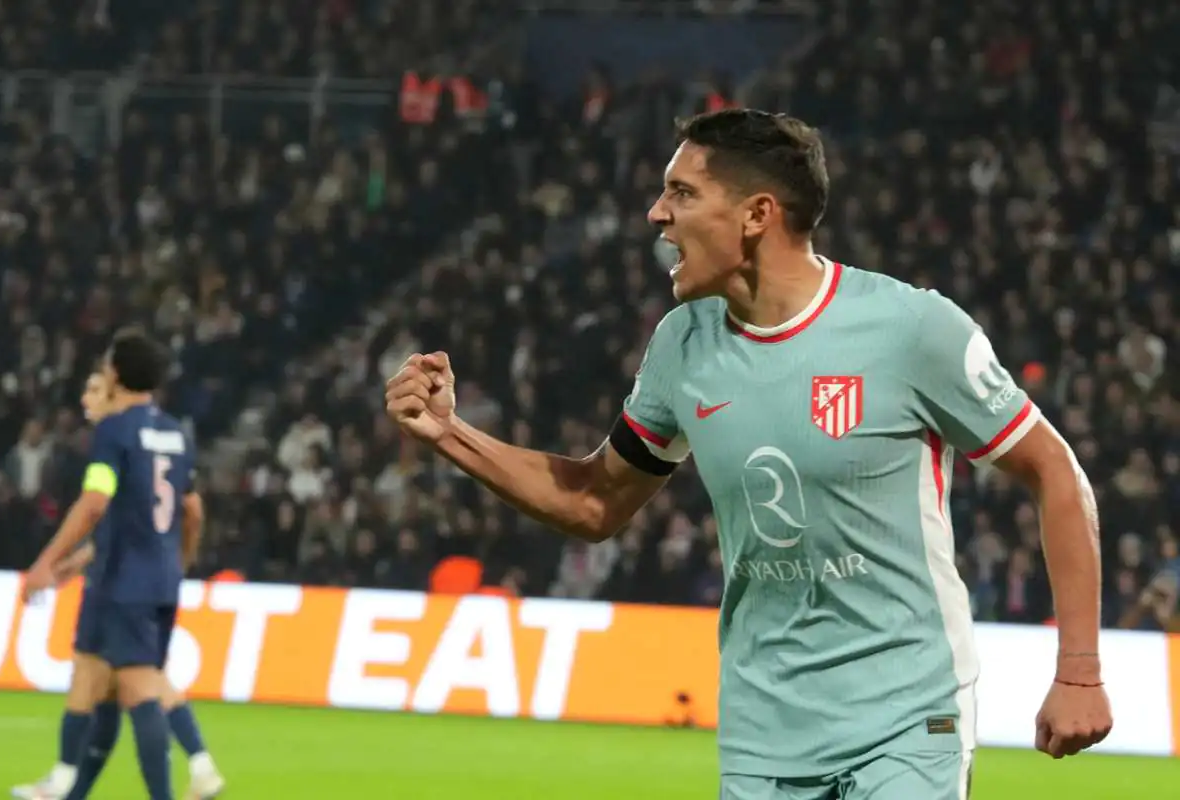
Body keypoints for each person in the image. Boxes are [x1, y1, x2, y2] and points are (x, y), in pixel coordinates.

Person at [385, 109, 1114, 799]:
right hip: (765, 736)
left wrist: (1079, 670)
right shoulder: (682, 346)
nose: (657, 214)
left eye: (682, 192)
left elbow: (1054, 471)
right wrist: (450, 432)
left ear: (757, 214)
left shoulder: (910, 329)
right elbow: (592, 501)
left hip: (905, 718)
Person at [13, 372, 226, 800]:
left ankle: (195, 767)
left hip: (124, 587)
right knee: (108, 696)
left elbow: (102, 511)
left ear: (114, 395)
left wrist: (48, 563)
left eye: (94, 390)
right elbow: (117, 527)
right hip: (128, 580)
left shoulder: (118, 444)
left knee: (131, 684)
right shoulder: (138, 443)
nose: (85, 398)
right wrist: (74, 564)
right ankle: (71, 788)